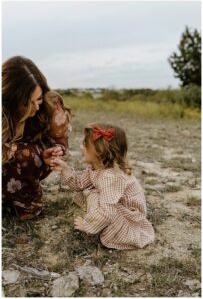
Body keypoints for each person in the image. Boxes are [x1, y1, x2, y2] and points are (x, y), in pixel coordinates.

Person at [51, 123, 155, 250]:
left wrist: (88, 225)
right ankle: (97, 221)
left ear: (99, 152)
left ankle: (100, 227)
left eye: (85, 144)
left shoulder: (110, 177)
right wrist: (65, 169)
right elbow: (80, 184)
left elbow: (107, 211)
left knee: (94, 195)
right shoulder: (98, 168)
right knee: (90, 191)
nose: (81, 147)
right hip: (118, 210)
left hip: (129, 221)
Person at [2, 56, 71, 220]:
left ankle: (29, 203)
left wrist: (55, 152)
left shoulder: (51, 104)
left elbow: (61, 143)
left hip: (35, 158)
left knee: (17, 153)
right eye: (27, 103)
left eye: (38, 99)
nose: (36, 107)